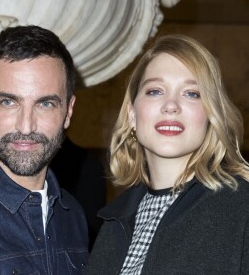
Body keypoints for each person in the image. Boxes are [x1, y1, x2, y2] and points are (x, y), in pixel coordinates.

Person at [84, 34, 249, 274]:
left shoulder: (239, 207)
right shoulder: (114, 222)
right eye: (155, 91)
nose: (171, 105)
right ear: (132, 114)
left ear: (211, 115)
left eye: (191, 93)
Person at [0, 25, 88, 274]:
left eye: (45, 103)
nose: (26, 126)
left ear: (68, 111)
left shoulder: (73, 215)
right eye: (8, 102)